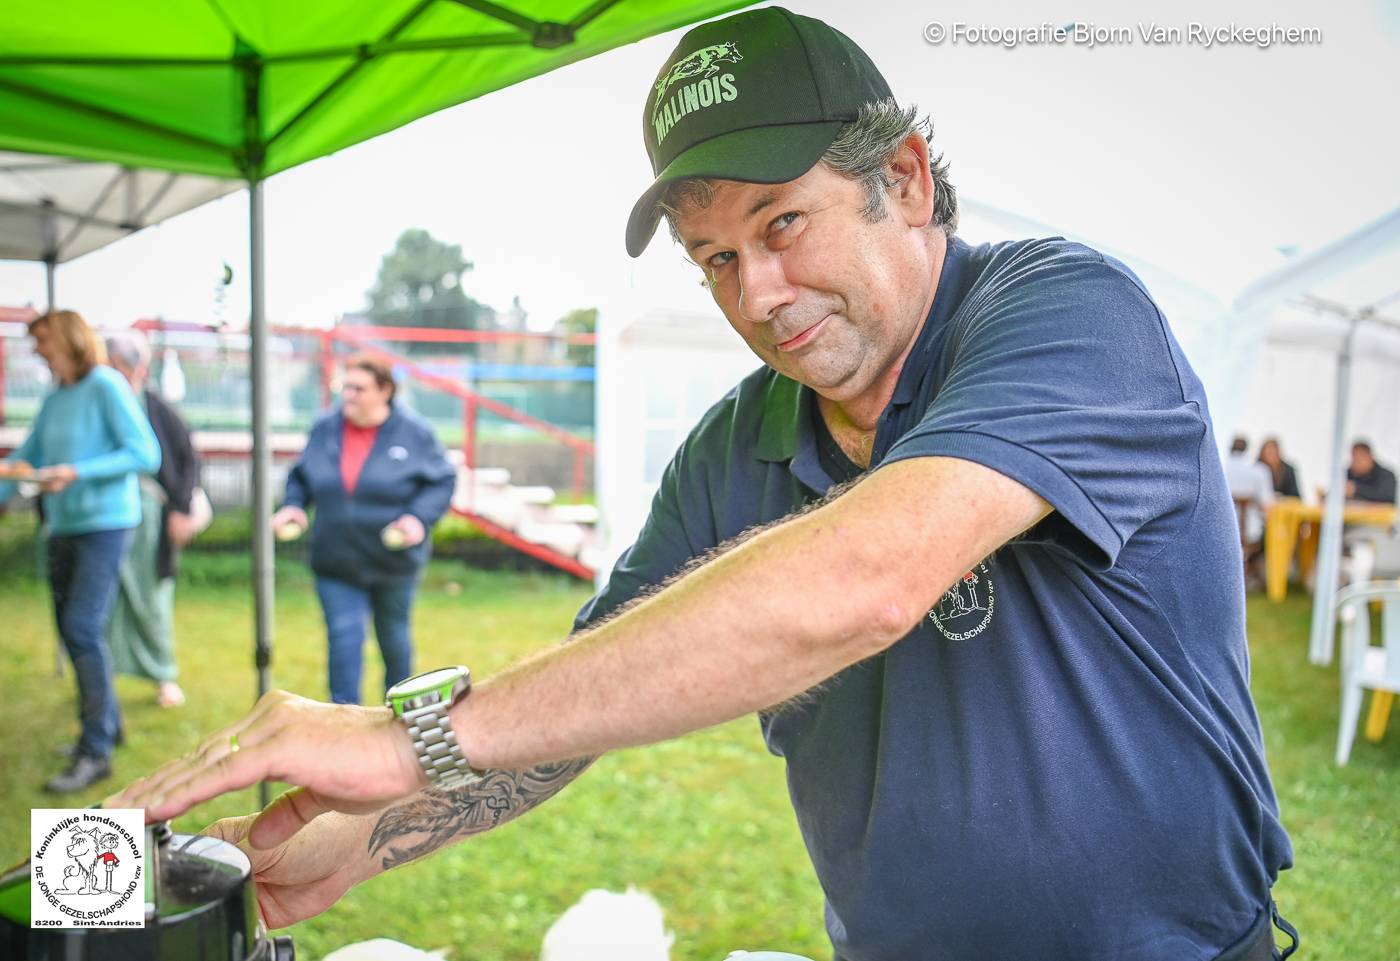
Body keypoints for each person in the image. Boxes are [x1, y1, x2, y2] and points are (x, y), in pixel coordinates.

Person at [110, 10, 1296, 960]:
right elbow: (564, 716)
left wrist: (412, 737)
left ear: (907, 178)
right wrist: (357, 842)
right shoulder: (738, 444)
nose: (758, 295)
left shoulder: (1067, 312)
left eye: (784, 225)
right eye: (715, 258)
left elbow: (864, 578)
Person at [0, 310, 160, 793]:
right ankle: (106, 725)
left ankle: (96, 750)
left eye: (42, 340)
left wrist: (76, 471)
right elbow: (28, 455)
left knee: (81, 627)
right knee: (73, 632)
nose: (38, 350)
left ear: (69, 339)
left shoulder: (107, 385)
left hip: (106, 525)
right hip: (64, 525)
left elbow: (145, 454)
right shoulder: (58, 395)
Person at [270, 354, 456, 705]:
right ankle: (345, 721)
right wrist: (294, 505)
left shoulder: (415, 433)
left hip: (394, 562)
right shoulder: (326, 426)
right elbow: (302, 475)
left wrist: (417, 517)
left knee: (394, 639)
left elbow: (441, 482)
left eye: (359, 389)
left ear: (385, 390)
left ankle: (402, 718)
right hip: (335, 560)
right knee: (344, 638)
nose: (349, 396)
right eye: (345, 388)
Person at [104, 330, 203, 709]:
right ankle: (105, 674)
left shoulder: (157, 408)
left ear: (137, 369)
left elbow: (188, 459)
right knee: (107, 599)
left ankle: (163, 675)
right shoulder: (98, 406)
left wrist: (181, 509)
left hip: (150, 519)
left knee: (151, 596)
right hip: (107, 515)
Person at [1225, 436, 1275, 588]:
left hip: (1223, 528)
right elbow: (1268, 505)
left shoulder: (1219, 469)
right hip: (1250, 532)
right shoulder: (1258, 471)